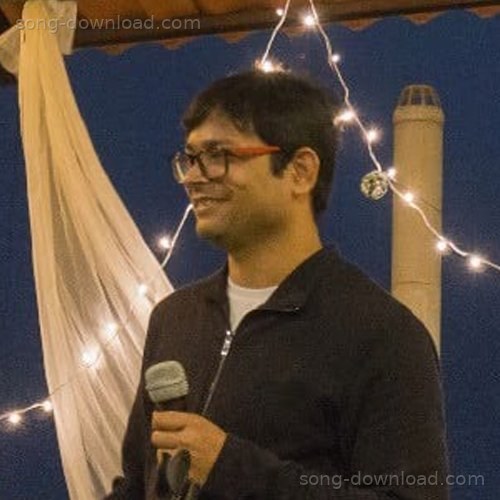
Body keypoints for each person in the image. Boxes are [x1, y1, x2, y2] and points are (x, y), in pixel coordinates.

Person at [106, 70, 449, 499]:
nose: (193, 177)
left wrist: (231, 467)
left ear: (300, 171)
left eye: (218, 155)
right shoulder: (175, 318)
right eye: (190, 158)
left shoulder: (381, 333)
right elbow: (137, 485)